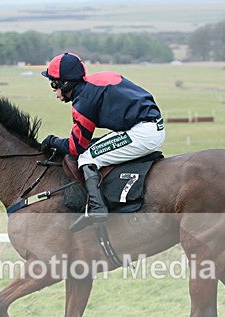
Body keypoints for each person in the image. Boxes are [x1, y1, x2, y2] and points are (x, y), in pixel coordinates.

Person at [39, 52, 165, 232]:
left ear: (65, 83)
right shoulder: (97, 80)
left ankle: (97, 208)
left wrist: (53, 141)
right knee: (94, 148)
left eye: (53, 84)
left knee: (87, 157)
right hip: (150, 124)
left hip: (142, 133)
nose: (53, 90)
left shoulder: (83, 103)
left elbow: (76, 148)